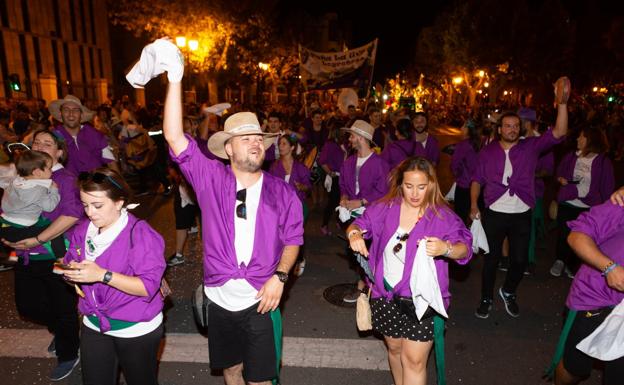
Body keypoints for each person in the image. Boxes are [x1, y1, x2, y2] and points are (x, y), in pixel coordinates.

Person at [161, 63, 304, 384]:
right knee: (231, 370)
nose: (255, 142)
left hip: (261, 300)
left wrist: (281, 277)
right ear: (227, 149)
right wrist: (174, 78)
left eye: (258, 137)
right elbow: (172, 135)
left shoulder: (283, 193)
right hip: (220, 298)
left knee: (261, 379)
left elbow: (293, 239)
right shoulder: (211, 178)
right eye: (245, 138)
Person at [347, 157, 472, 385]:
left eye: (421, 187)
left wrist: (447, 248)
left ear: (431, 185)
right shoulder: (385, 208)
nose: (415, 193)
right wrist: (354, 234)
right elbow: (359, 224)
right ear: (400, 184)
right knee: (394, 350)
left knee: (414, 361)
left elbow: (465, 249)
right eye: (409, 186)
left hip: (422, 300)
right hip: (385, 296)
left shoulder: (442, 216)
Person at [471, 77, 570, 319]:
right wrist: (474, 205)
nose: (512, 129)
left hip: (521, 213)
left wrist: (562, 103)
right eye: (507, 126)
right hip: (494, 212)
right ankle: (486, 298)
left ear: (520, 128)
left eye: (516, 125)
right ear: (499, 129)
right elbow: (476, 180)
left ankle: (508, 291)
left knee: (519, 261)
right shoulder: (487, 152)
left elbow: (559, 132)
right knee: (491, 261)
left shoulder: (530, 147)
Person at [61, 167, 166, 385]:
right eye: (85, 205)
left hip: (136, 327)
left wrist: (102, 275)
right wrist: (70, 272)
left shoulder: (140, 234)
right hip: (94, 322)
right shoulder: (83, 230)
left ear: (119, 202)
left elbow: (147, 287)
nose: (90, 212)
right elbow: (69, 259)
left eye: (98, 205)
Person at [2, 128, 82, 381]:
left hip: (56, 255)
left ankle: (69, 353)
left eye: (48, 143)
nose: (40, 145)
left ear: (59, 152)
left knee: (64, 307)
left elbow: (71, 215)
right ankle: (62, 329)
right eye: (37, 141)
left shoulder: (66, 179)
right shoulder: (22, 172)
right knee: (28, 306)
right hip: (24, 254)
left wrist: (37, 239)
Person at [549, 199, 624, 385]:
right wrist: (610, 268)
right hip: (597, 299)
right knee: (575, 369)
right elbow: (577, 236)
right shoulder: (621, 203)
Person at [550, 127, 614, 278]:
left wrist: (605, 211)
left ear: (591, 140)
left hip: (589, 206)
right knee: (564, 234)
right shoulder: (572, 157)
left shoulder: (603, 162)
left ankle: (572, 265)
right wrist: (560, 179)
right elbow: (558, 173)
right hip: (568, 202)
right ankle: (560, 261)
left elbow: (607, 188)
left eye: (581, 136)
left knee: (582, 237)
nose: (578, 139)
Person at [339, 119, 390, 302]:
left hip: (373, 217)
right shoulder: (349, 162)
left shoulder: (380, 164)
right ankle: (364, 286)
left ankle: (367, 288)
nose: (349, 139)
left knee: (371, 253)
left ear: (361, 138)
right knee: (357, 253)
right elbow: (343, 184)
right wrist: (344, 198)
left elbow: (384, 192)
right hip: (353, 217)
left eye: (352, 136)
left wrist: (361, 202)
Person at [0, 150, 65, 258]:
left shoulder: (15, 181)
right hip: (19, 229)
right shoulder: (38, 189)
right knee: (54, 231)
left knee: (41, 223)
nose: (52, 171)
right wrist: (54, 190)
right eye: (49, 168)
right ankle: (61, 259)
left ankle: (11, 256)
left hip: (4, 225)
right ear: (37, 172)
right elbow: (49, 207)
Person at [270, 134, 311, 275]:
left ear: (292, 147)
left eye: (284, 144)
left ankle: (299, 259)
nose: (280, 146)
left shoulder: (300, 167)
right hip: (280, 208)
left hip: (298, 207)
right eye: (279, 144)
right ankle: (283, 261)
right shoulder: (274, 167)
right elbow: (269, 187)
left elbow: (308, 186)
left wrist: (302, 187)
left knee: (297, 234)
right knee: (281, 236)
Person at [48, 95, 118, 175]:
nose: (71, 114)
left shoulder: (94, 135)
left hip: (94, 184)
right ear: (61, 114)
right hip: (65, 186)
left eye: (76, 110)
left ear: (81, 114)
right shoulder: (53, 137)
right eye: (66, 110)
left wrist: (120, 185)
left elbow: (111, 162)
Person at [450, 118, 483, 224]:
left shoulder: (463, 145)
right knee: (475, 218)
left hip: (464, 186)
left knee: (461, 217)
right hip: (479, 186)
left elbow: (454, 165)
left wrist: (458, 174)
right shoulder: (480, 143)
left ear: (468, 129)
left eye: (463, 126)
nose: (461, 128)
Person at [318, 123, 347, 236]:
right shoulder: (330, 144)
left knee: (339, 200)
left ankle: (339, 221)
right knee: (332, 202)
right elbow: (322, 161)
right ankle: (324, 225)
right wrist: (330, 172)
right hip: (335, 177)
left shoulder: (342, 144)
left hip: (342, 176)